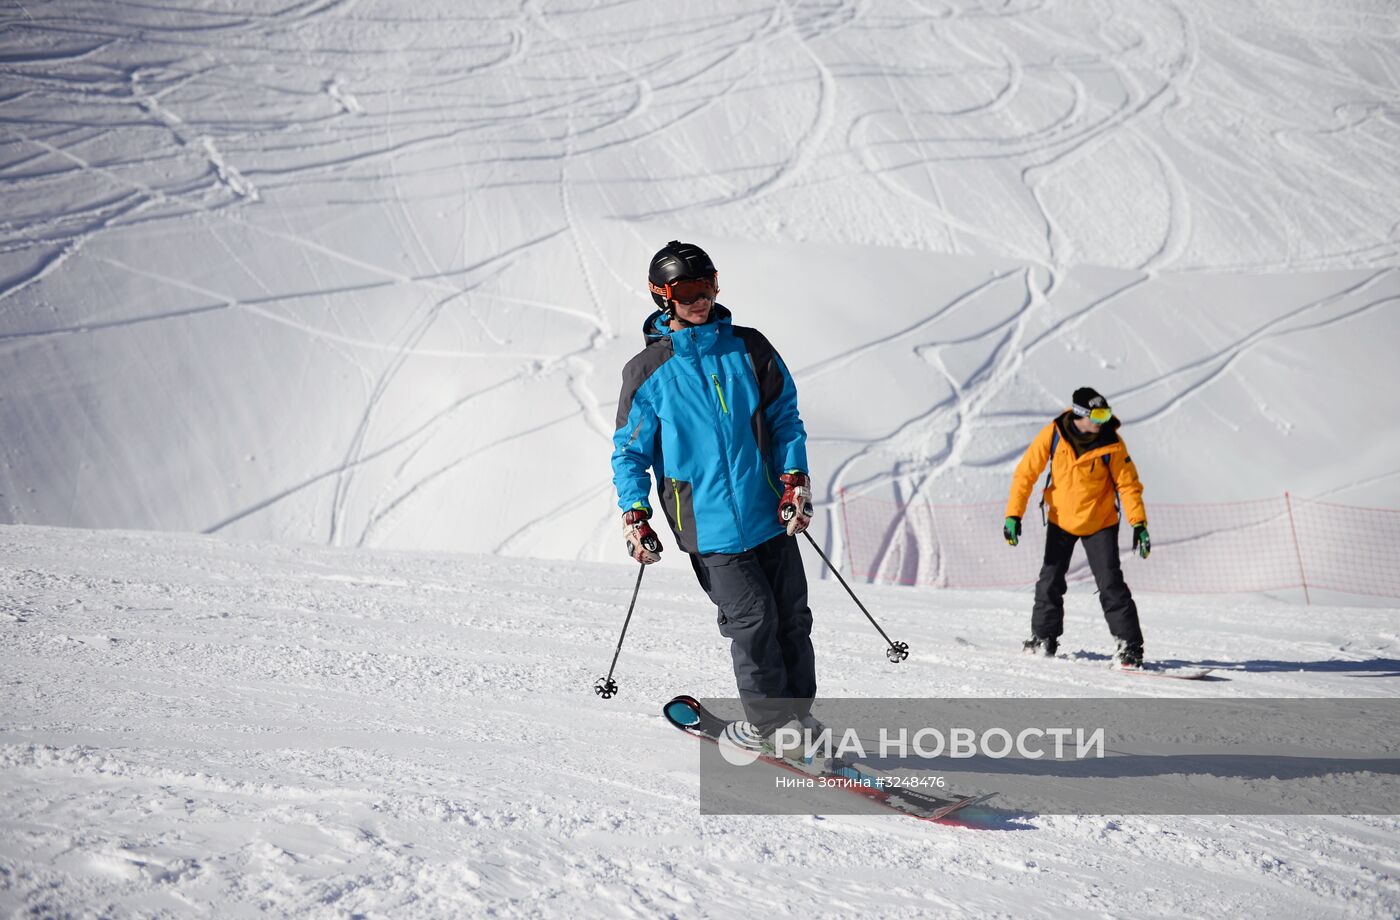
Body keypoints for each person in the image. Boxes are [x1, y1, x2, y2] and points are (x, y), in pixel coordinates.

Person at [611, 240, 822, 758]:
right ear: (663, 296)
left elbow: (784, 419)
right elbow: (629, 453)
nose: (701, 299)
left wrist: (794, 479)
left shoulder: (750, 348)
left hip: (769, 511)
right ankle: (774, 727)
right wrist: (635, 512)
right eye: (687, 290)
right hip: (708, 526)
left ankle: (800, 716)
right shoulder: (647, 372)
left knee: (793, 618)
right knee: (754, 623)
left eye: (708, 286)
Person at [1003, 387, 1151, 668]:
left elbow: (1128, 485)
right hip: (1061, 520)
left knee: (1110, 583)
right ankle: (1043, 638)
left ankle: (1129, 647)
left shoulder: (1112, 443)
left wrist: (1139, 523)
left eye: (1106, 414)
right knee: (1049, 580)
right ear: (1080, 414)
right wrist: (1014, 514)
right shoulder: (1054, 434)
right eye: (1098, 415)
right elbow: (1026, 473)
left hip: (1100, 523)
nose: (1102, 421)